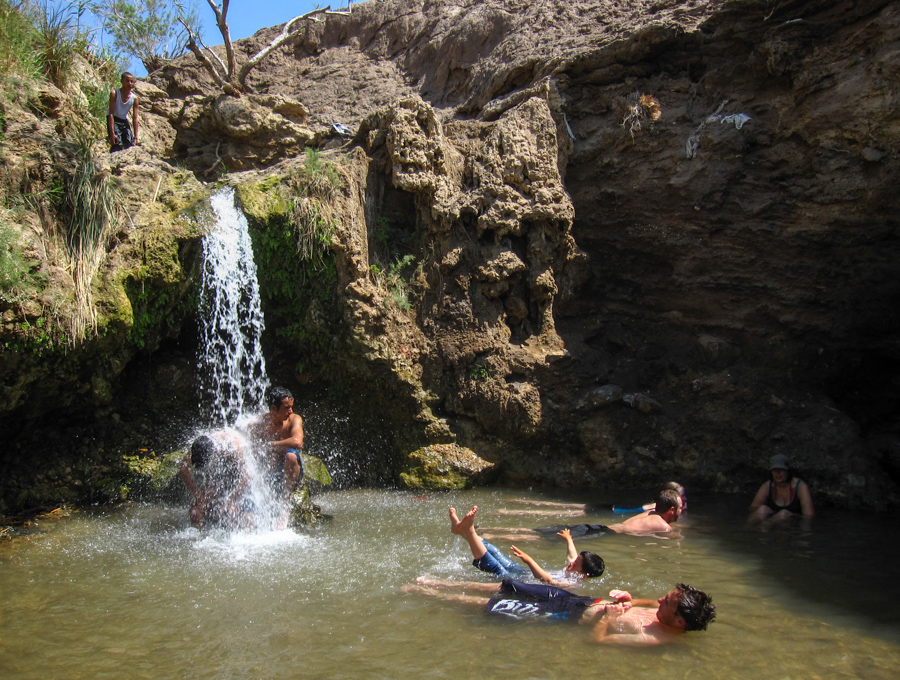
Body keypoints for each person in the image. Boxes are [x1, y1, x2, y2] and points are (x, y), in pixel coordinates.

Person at [403, 578, 715, 646]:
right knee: (509, 585)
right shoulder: (660, 611)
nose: (659, 600)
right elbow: (643, 603)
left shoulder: (652, 639)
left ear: (678, 621)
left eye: (667, 602)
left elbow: (597, 643)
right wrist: (629, 598)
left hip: (563, 616)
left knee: (497, 605)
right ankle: (438, 581)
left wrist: (607, 620)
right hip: (580, 599)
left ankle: (424, 593)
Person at [449, 506, 604, 585]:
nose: (572, 562)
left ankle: (467, 531)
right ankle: (461, 531)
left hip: (519, 580)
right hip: (522, 572)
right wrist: (569, 539)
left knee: (495, 567)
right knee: (495, 552)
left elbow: (547, 579)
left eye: (576, 564)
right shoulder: (574, 568)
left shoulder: (571, 585)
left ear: (584, 575)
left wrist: (529, 560)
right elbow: (572, 555)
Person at [483, 488, 684, 542]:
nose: (682, 511)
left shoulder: (651, 513)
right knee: (543, 537)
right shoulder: (663, 526)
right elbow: (676, 537)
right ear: (672, 510)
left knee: (542, 531)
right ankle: (493, 536)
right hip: (603, 533)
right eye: (680, 508)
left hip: (599, 527)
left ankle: (491, 531)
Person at [179, 431, 253, 529]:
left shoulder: (233, 446)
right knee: (196, 513)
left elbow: (246, 477)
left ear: (213, 454)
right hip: (218, 479)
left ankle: (233, 535)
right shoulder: (200, 445)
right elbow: (183, 467)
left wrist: (229, 499)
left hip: (239, 480)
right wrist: (198, 495)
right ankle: (200, 536)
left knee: (233, 512)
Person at [247, 386, 304, 502]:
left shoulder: (294, 419)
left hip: (290, 469)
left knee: (291, 455)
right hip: (270, 471)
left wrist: (270, 445)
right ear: (273, 408)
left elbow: (298, 442)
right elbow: (251, 451)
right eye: (287, 408)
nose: (291, 411)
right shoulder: (258, 425)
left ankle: (286, 501)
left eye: (291, 407)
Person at [748, 454, 814, 521]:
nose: (778, 473)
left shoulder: (801, 487)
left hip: (793, 522)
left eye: (781, 470)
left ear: (788, 471)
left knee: (783, 514)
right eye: (775, 470)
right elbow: (752, 508)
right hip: (773, 520)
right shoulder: (767, 486)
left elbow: (809, 516)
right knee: (762, 509)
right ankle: (747, 529)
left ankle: (767, 525)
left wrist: (787, 515)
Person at [108, 72, 139, 152]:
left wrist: (136, 137)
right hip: (114, 119)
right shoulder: (115, 93)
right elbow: (111, 113)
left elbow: (135, 118)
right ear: (122, 81)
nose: (130, 83)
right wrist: (111, 133)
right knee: (117, 143)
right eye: (127, 81)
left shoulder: (134, 98)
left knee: (129, 144)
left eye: (132, 81)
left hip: (124, 121)